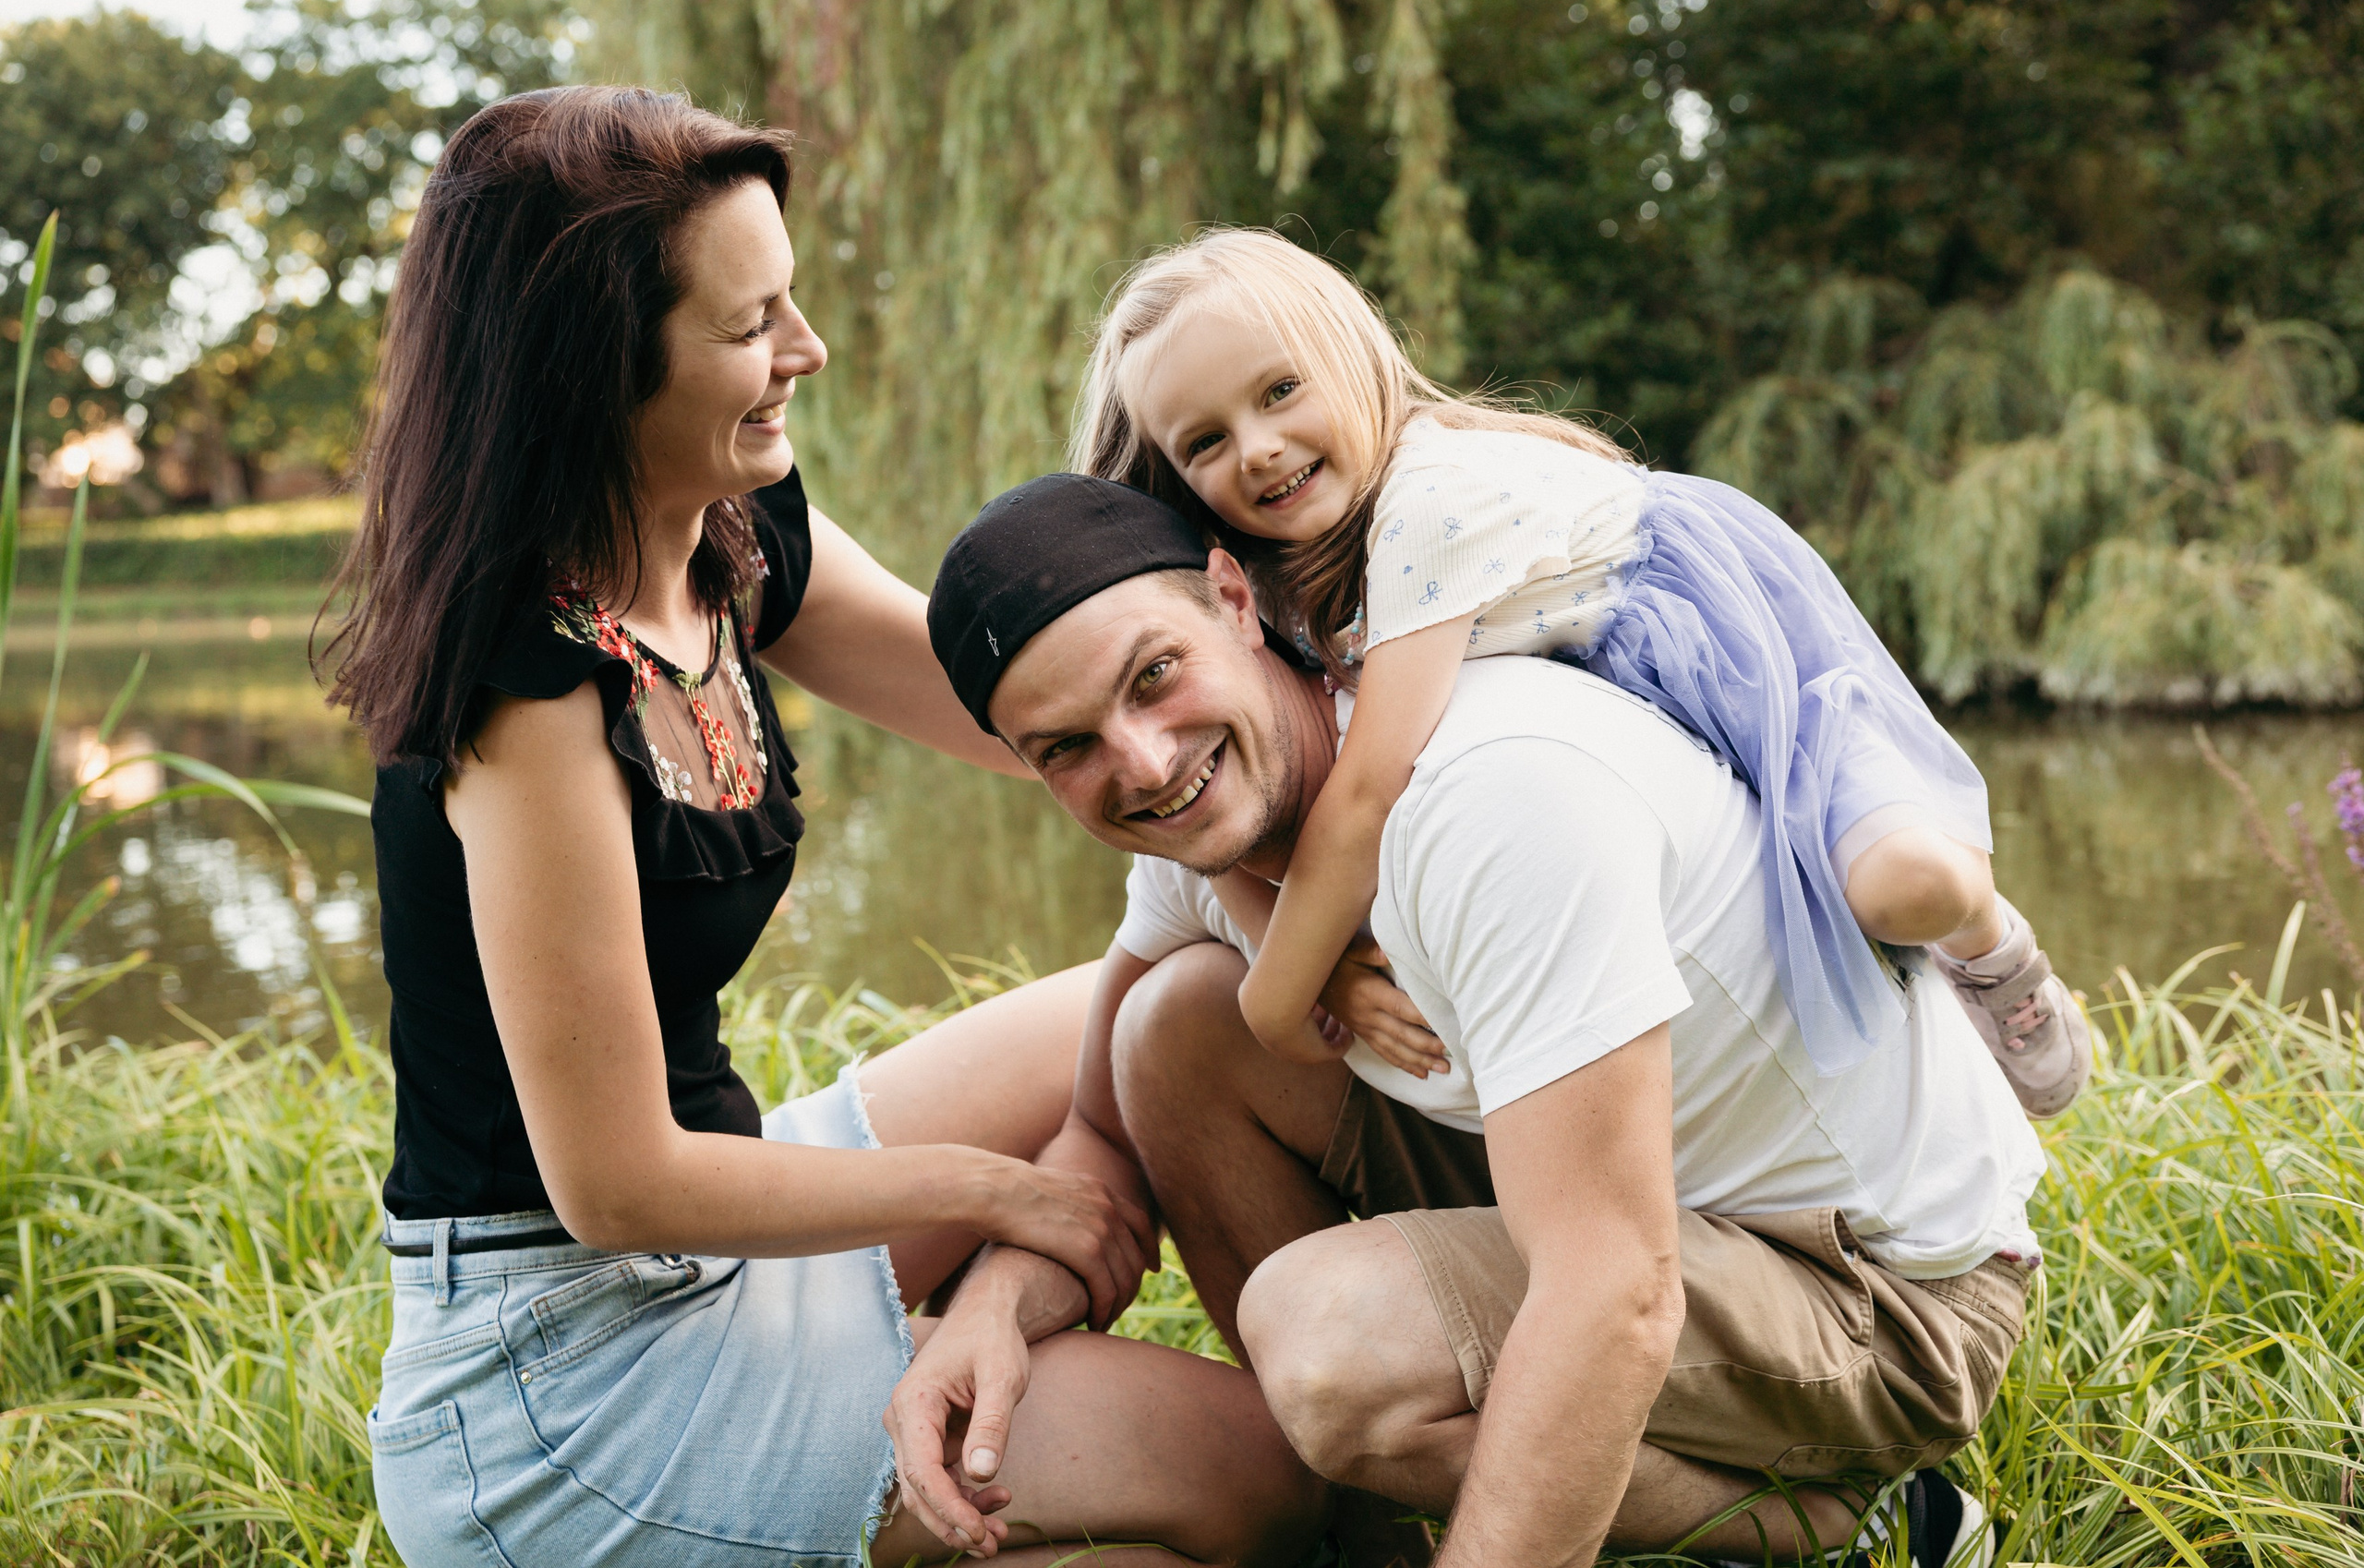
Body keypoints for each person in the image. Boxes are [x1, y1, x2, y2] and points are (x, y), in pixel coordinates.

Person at [326, 88, 1322, 1568]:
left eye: (787, 300)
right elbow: (618, 1184)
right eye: (751, 326)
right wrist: (1005, 1197)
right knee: (1264, 1482)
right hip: (571, 1371)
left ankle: (1342, 1340)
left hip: (722, 1227)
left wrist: (1329, 839)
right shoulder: (526, 688)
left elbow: (1024, 713)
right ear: (594, 369)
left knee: (1171, 1002)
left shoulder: (731, 533)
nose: (807, 350)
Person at [899, 475, 2050, 1567]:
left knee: (1332, 1341)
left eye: (1154, 675)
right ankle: (1367, 1524)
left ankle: (1854, 1519)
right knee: (1176, 1028)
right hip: (1650, 1199)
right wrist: (987, 1308)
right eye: (1069, 747)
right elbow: (1101, 1130)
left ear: (1236, 600)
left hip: (1882, 1291)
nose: (1144, 762)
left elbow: (1612, 1284)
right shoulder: (1209, 829)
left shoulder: (1488, 793)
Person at [1068, 227, 2089, 1117]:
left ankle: (1993, 950)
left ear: (1352, 356)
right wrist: (1317, 960)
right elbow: (1219, 836)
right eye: (1206, 441)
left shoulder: (1432, 502)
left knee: (1910, 885)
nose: (1257, 448)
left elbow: (1371, 788)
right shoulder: (1253, 576)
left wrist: (1274, 998)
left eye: (1281, 391)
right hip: (1592, 691)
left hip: (1709, 645)